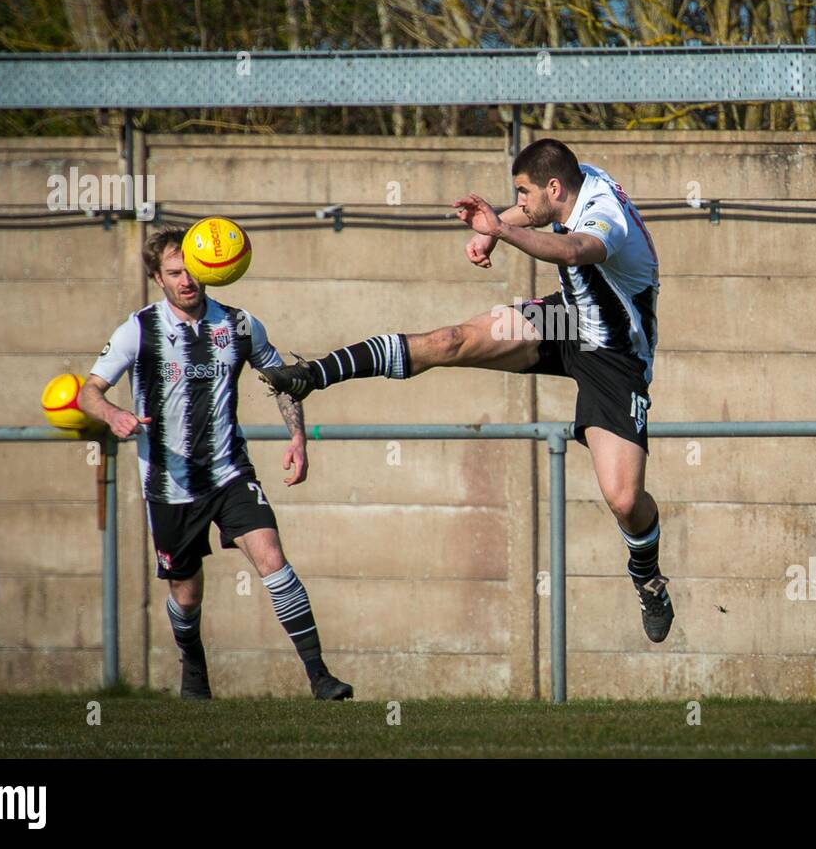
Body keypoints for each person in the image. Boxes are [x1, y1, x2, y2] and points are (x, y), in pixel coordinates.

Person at [259, 139, 674, 641]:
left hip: (615, 354)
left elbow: (573, 248)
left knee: (625, 500)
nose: (518, 204)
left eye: (522, 194)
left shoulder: (604, 212)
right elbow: (539, 215)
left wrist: (500, 227)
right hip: (564, 321)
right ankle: (314, 374)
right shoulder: (575, 177)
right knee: (450, 341)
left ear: (554, 187)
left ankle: (646, 576)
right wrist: (497, 228)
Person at [78, 228, 353, 700]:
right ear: (157, 278)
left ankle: (320, 677)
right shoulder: (138, 330)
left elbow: (281, 380)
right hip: (169, 486)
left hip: (230, 473)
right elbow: (88, 392)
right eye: (174, 273)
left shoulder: (241, 325)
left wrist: (298, 437)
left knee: (273, 560)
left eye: (193, 270)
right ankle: (195, 669)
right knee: (186, 596)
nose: (187, 281)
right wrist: (113, 414)